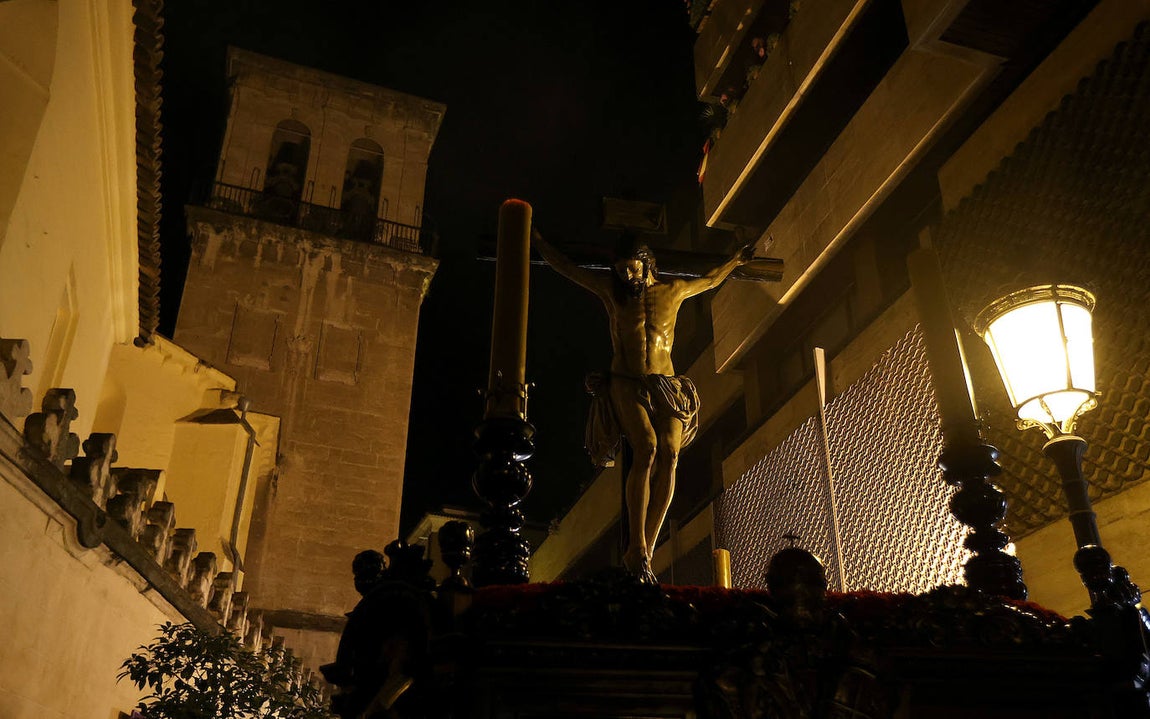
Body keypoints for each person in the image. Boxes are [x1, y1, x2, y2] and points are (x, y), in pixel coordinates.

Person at [532, 230, 755, 582]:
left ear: (646, 263)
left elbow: (711, 279)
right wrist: (541, 244)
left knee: (670, 451)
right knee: (647, 448)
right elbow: (570, 269)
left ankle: (645, 551)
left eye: (632, 269)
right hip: (626, 382)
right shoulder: (613, 296)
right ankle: (635, 546)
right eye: (621, 272)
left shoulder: (675, 291)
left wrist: (734, 260)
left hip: (667, 384)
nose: (627, 277)